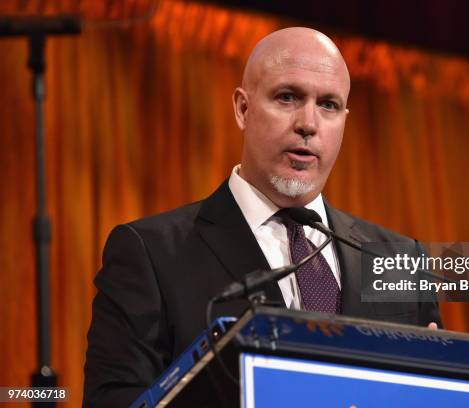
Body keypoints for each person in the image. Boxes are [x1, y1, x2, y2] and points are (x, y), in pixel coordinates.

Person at [84, 27, 442, 407]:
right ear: (243, 108)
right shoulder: (152, 254)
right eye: (287, 97)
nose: (309, 123)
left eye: (329, 105)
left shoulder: (397, 258)